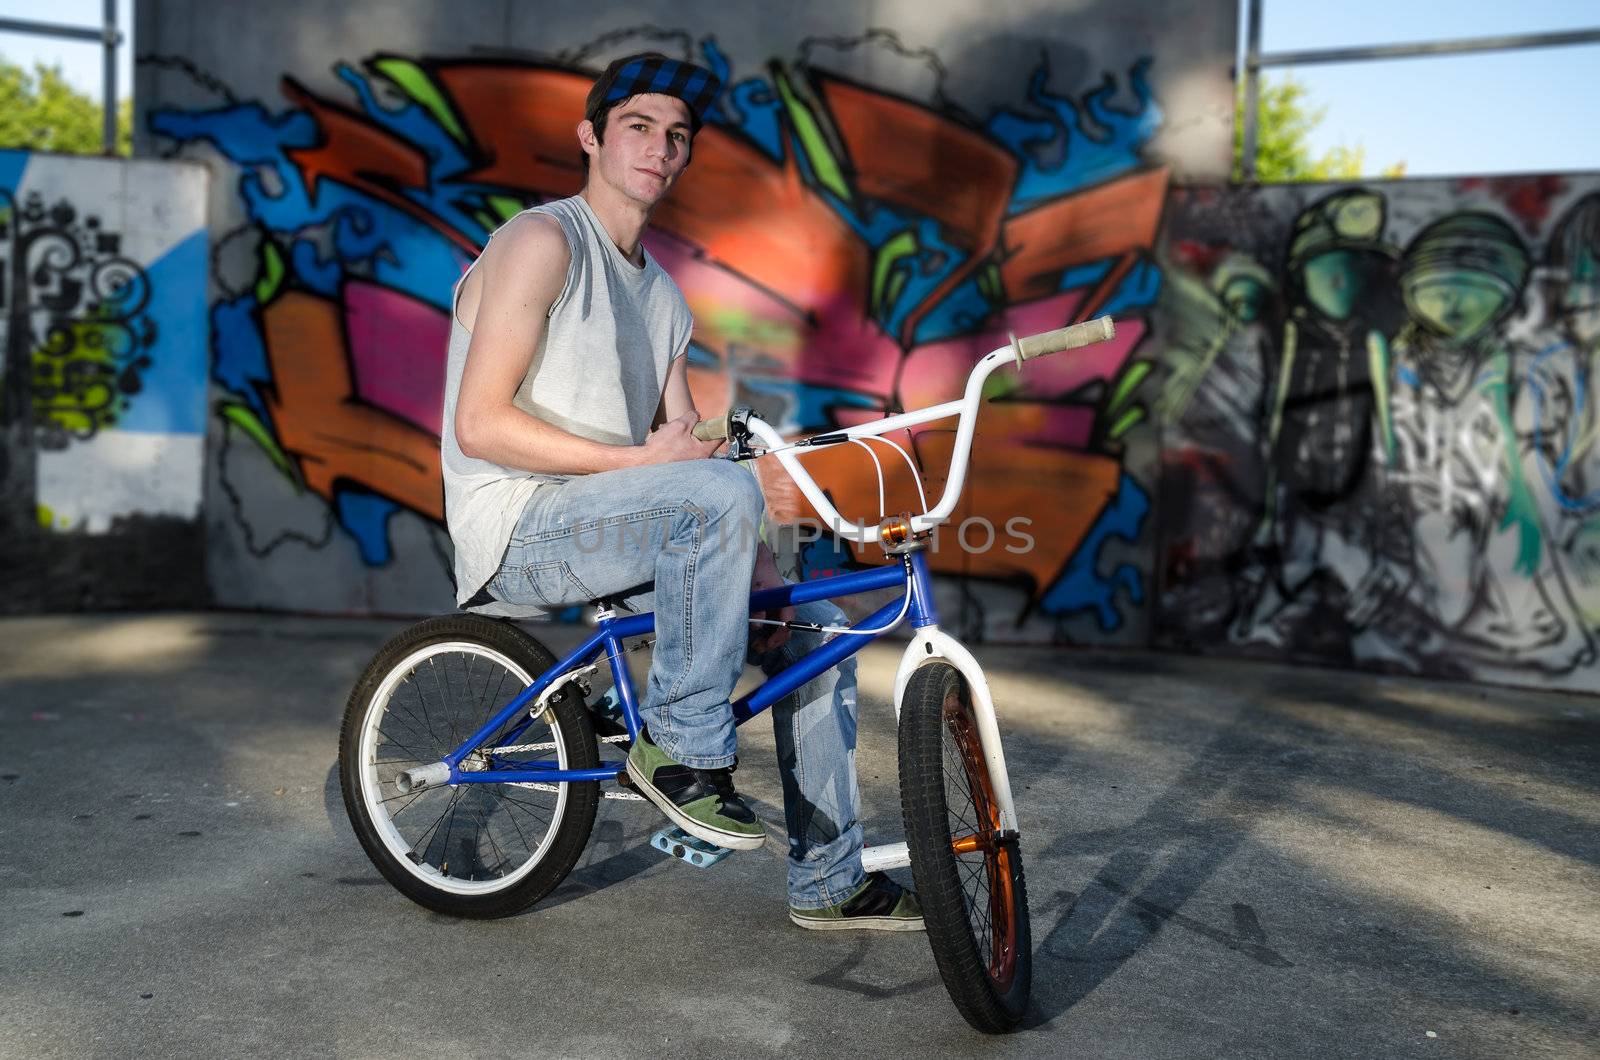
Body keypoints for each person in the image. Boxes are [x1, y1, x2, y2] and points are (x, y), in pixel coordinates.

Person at [440, 52, 921, 930]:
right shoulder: (543, 242)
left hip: (616, 523)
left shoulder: (662, 298)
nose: (659, 147)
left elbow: (694, 447)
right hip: (519, 524)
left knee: (816, 628)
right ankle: (682, 752)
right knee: (710, 496)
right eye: (637, 126)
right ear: (590, 136)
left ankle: (831, 881)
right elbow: (480, 426)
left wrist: (770, 584)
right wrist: (651, 467)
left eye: (676, 135)